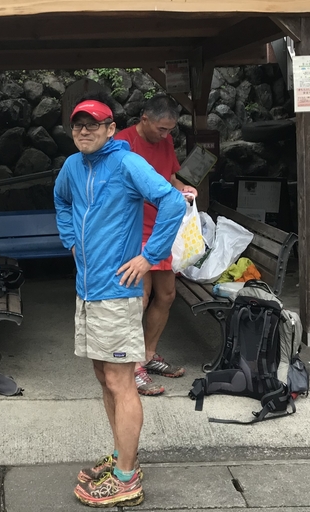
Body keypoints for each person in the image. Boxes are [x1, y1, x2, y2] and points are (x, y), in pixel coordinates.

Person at [54, 94, 186, 508]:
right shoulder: (73, 166)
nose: (85, 131)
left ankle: (127, 478)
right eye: (79, 125)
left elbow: (173, 200)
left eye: (93, 124)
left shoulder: (126, 162)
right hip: (87, 291)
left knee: (120, 381)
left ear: (111, 129)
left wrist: (149, 256)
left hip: (117, 292)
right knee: (103, 377)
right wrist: (70, 240)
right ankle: (121, 455)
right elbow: (61, 200)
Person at [115, 95, 197, 397]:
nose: (166, 136)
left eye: (170, 130)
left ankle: (148, 355)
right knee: (140, 295)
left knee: (166, 294)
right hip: (133, 230)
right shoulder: (122, 144)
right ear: (144, 118)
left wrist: (183, 189)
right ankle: (130, 365)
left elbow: (171, 177)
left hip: (162, 229)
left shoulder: (166, 143)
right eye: (161, 129)